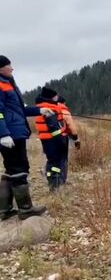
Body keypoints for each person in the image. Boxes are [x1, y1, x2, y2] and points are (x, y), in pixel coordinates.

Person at [0, 56, 51, 220]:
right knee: (19, 169)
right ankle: (25, 209)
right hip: (10, 134)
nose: (12, 68)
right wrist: (3, 134)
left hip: (15, 132)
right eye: (9, 65)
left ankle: (5, 210)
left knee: (11, 171)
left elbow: (20, 109)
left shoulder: (9, 83)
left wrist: (40, 110)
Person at [35, 87, 69, 192]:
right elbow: (54, 128)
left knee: (51, 162)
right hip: (53, 141)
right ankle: (55, 185)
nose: (57, 98)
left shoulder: (42, 108)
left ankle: (52, 184)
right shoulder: (50, 109)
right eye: (55, 96)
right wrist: (61, 140)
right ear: (51, 97)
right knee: (55, 163)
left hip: (46, 140)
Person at [57, 96, 80, 184]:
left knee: (53, 160)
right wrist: (76, 139)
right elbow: (72, 127)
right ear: (63, 103)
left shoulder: (50, 111)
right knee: (63, 159)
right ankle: (62, 180)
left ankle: (53, 179)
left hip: (50, 140)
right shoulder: (65, 112)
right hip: (63, 138)